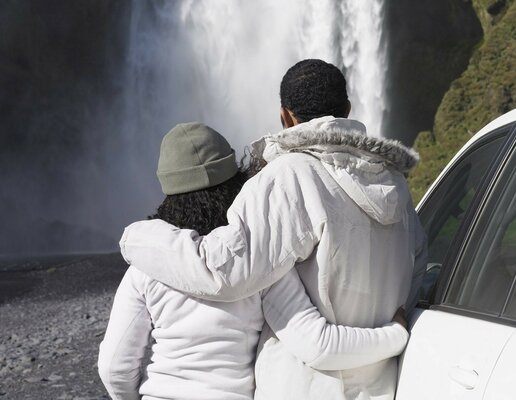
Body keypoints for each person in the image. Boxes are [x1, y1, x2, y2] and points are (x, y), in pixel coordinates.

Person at [119, 59, 428, 399]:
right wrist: (392, 334)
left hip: (305, 386)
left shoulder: (290, 176)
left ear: (285, 116)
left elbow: (223, 271)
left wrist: (136, 237)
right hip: (380, 386)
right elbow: (414, 278)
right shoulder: (396, 185)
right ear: (348, 109)